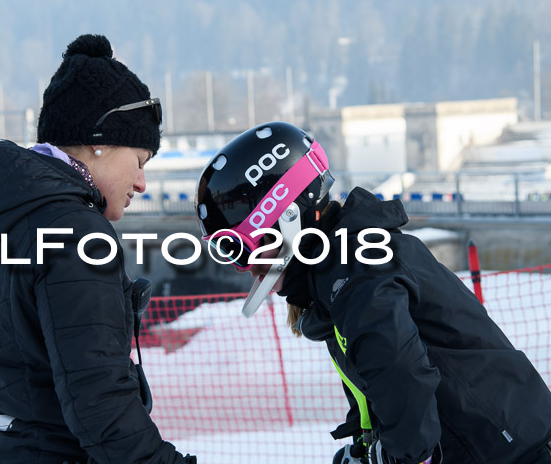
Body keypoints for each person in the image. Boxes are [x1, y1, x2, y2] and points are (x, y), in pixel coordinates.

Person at [194, 121, 551, 464]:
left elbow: (401, 373)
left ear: (288, 219)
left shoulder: (358, 271)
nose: (248, 268)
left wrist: (406, 454)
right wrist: (368, 443)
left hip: (508, 450)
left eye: (244, 249)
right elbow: (376, 384)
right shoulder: (335, 278)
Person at [0, 34, 195, 463]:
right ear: (100, 141)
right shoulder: (75, 230)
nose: (141, 183)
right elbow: (100, 401)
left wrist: (23, 403)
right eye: (139, 160)